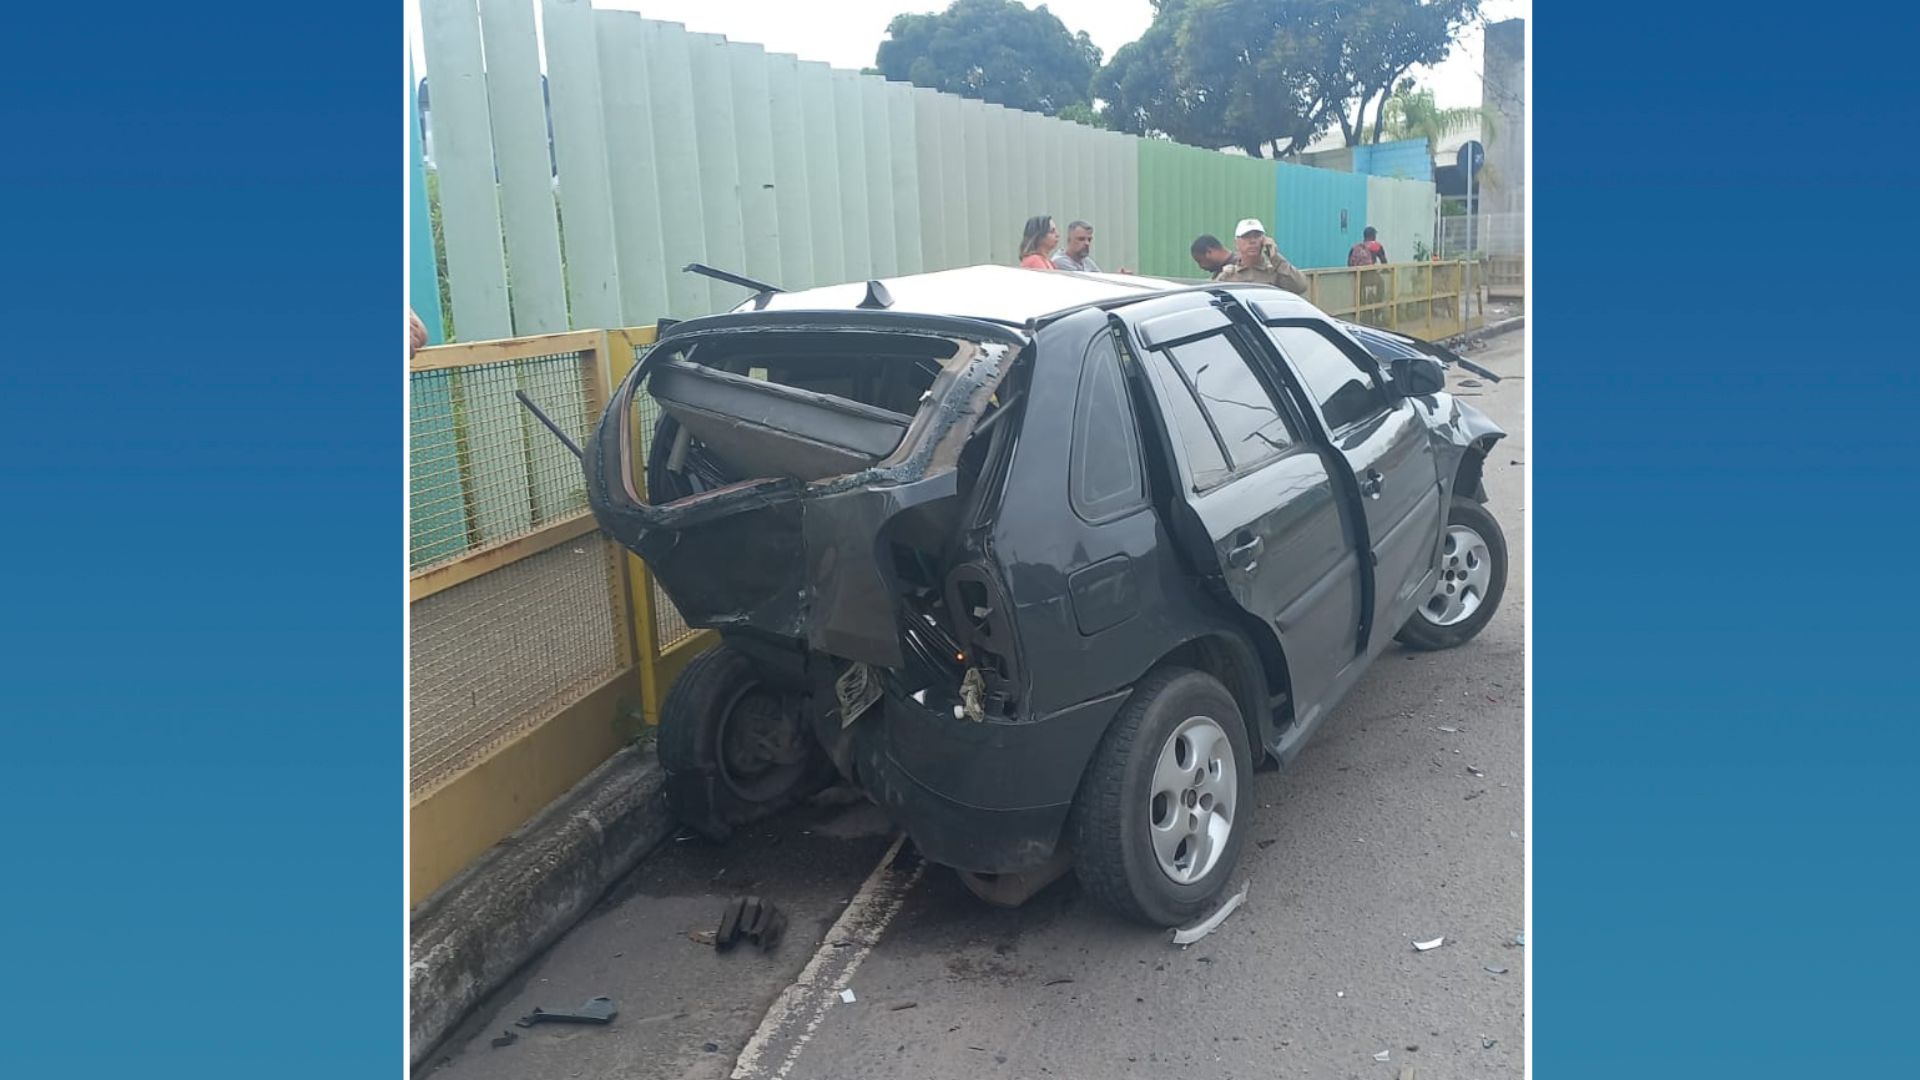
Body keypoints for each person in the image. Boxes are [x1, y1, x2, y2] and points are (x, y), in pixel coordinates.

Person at [1217, 218, 1309, 295]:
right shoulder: (1228, 276)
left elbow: (1300, 287)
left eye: (1257, 236)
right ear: (1237, 243)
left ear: (1264, 240)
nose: (1252, 241)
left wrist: (1275, 257)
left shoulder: (1275, 272)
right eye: (1246, 236)